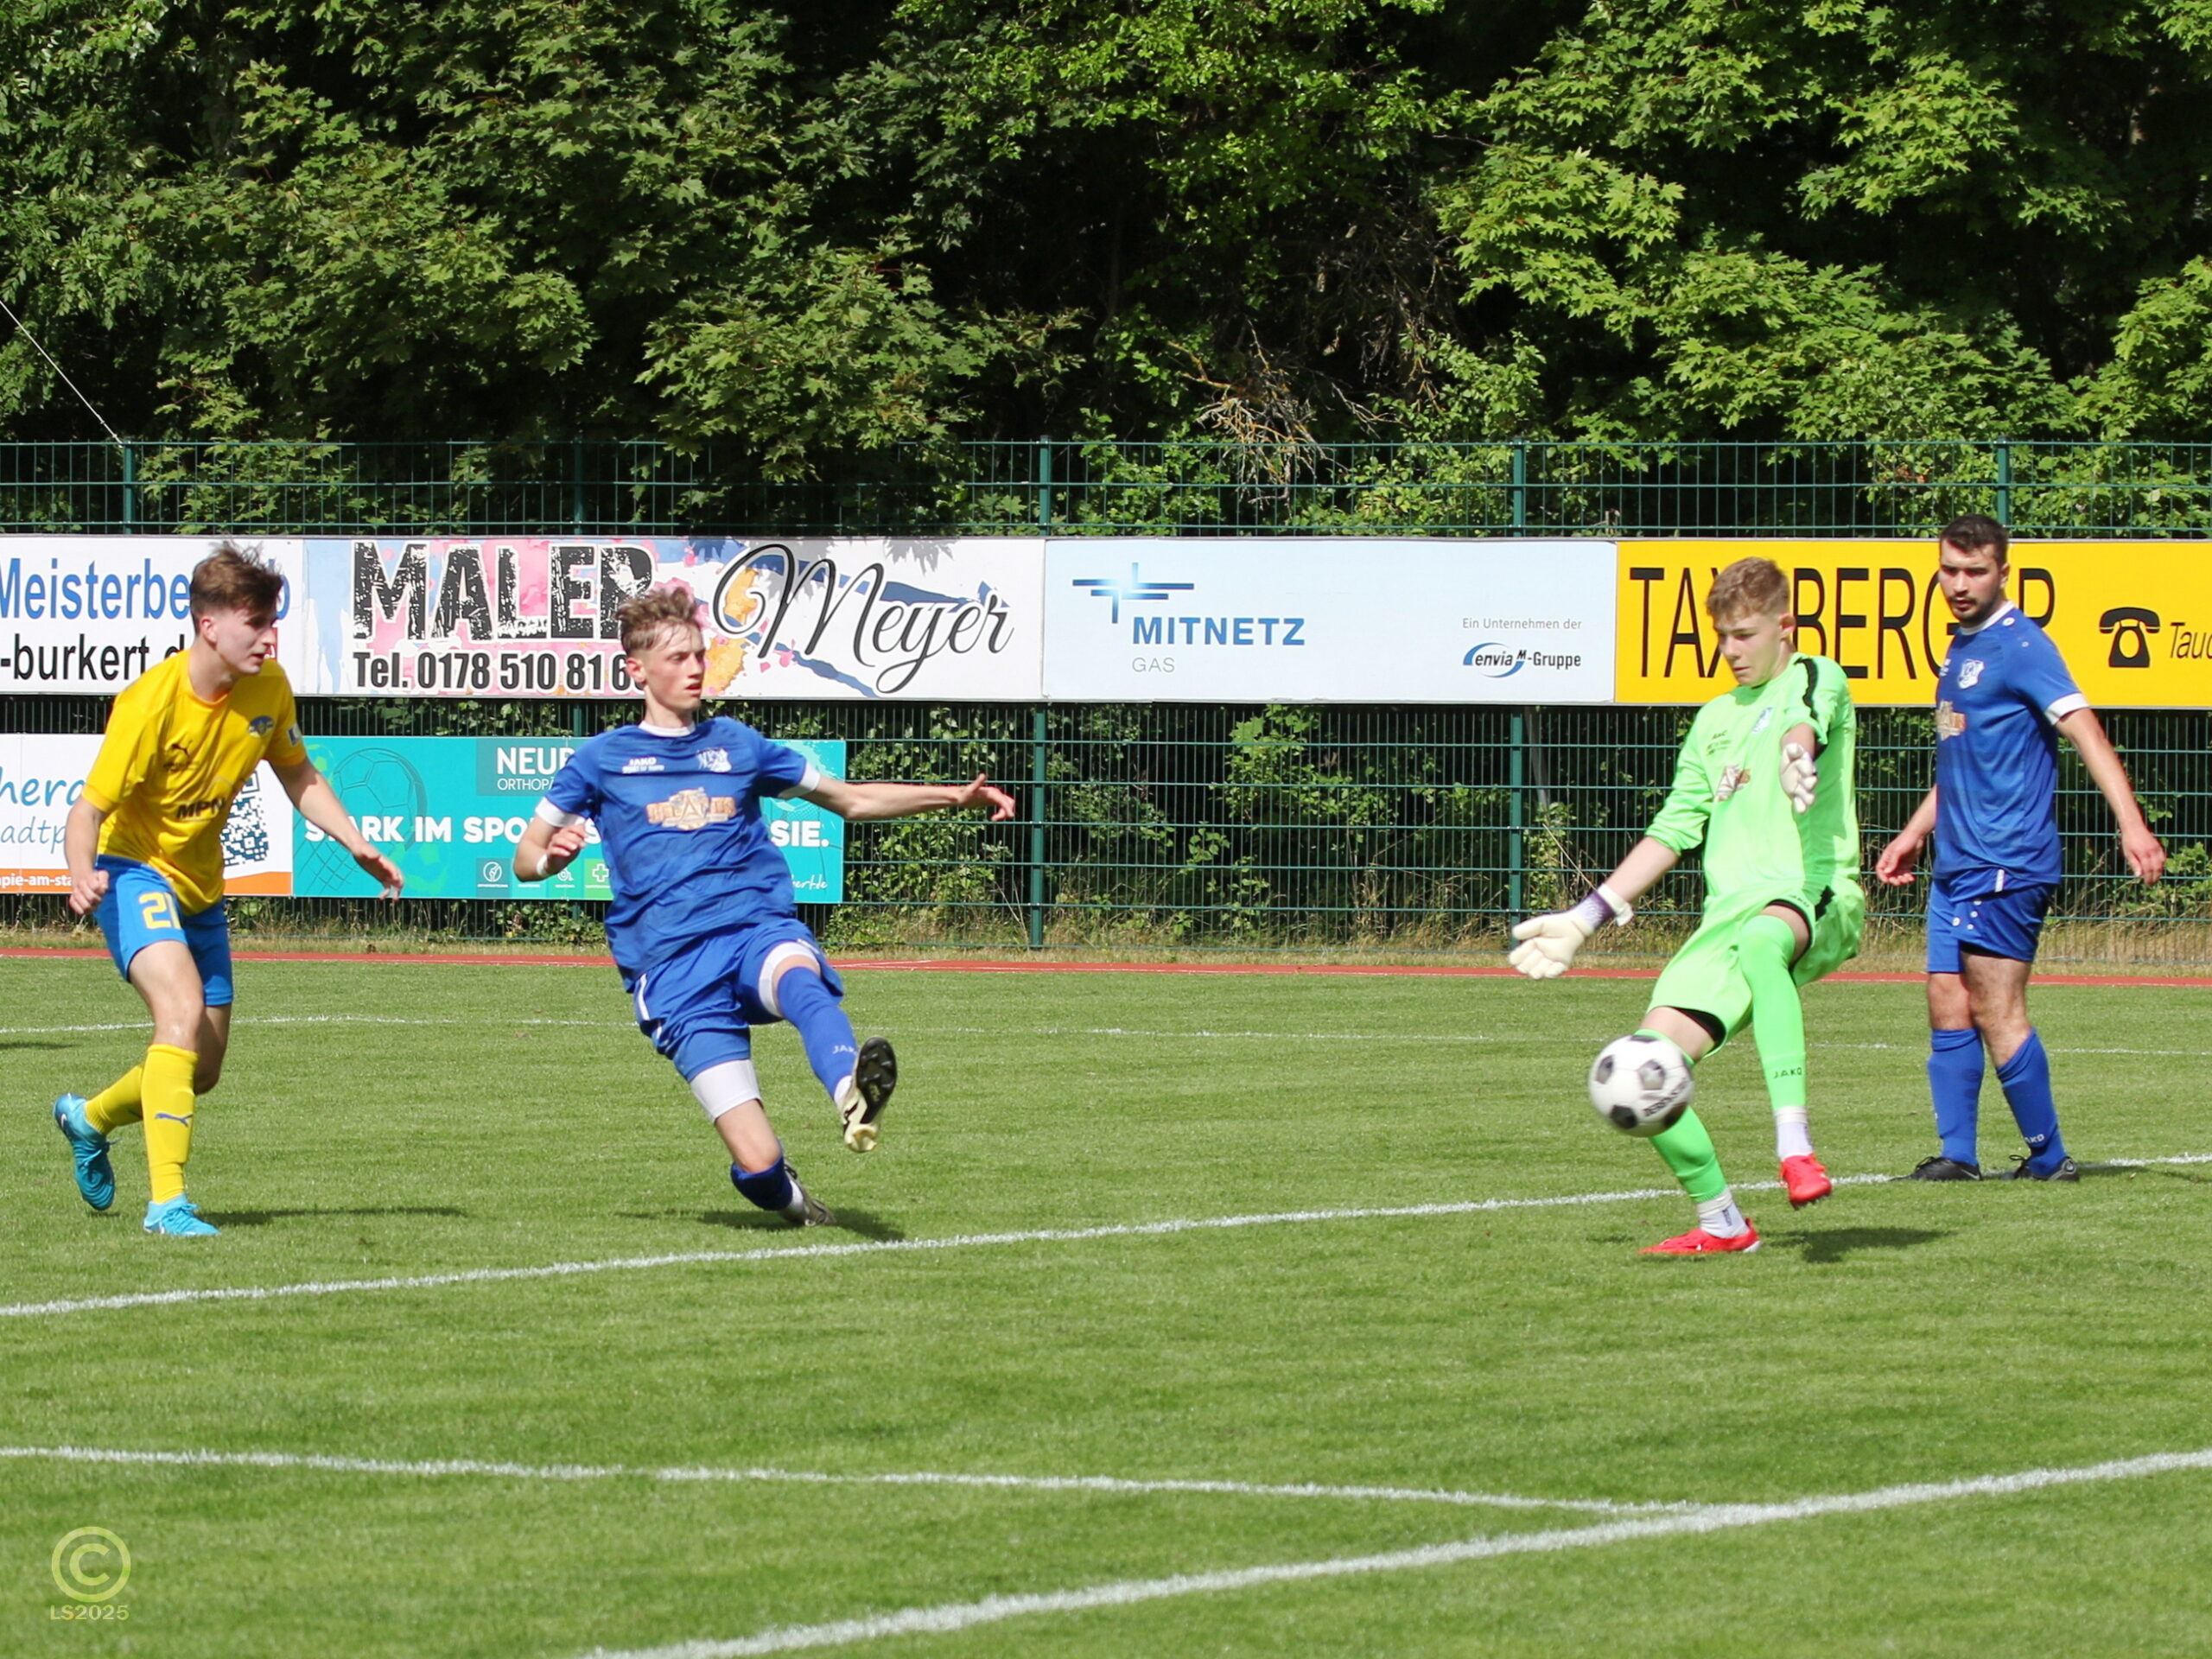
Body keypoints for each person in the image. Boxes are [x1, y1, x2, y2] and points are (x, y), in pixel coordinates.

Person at [512, 585, 1015, 1226]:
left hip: (751, 928)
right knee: (758, 1166)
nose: (695, 669)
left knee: (799, 977)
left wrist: (951, 796)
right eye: (677, 658)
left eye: (700, 655)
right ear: (636, 669)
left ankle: (851, 1093)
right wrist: (551, 861)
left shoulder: (738, 745)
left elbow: (851, 800)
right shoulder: (599, 760)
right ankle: (795, 1201)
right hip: (670, 968)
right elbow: (525, 858)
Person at [1509, 556, 1864, 1255]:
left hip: (1811, 889)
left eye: (1745, 635)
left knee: (1763, 943)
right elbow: (1673, 829)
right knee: (1643, 1065)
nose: (1731, 650)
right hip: (1727, 917)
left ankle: (1795, 1144)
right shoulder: (1712, 721)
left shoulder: (1816, 674)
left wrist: (1797, 755)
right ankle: (1722, 1221)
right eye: (1722, 636)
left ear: (1785, 626)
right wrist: (1585, 918)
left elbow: (1805, 722)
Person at [53, 544, 404, 1236]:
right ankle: (168, 1205)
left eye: (273, 622)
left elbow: (298, 773)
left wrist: (353, 839)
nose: (270, 638)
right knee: (179, 1013)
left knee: (202, 1069)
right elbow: (87, 811)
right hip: (132, 870)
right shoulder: (149, 704)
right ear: (210, 625)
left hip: (202, 889)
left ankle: (87, 1119)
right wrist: (80, 872)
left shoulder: (268, 688)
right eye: (257, 623)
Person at [1874, 515, 2164, 1181]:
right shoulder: (1960, 649)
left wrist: (2132, 824)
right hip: (1956, 862)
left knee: (1996, 1008)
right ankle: (1957, 1156)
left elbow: (2087, 733)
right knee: (1947, 999)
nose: (1960, 584)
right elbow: (1964, 760)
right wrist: (1916, 833)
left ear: (2004, 572)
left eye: (1975, 572)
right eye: (1950, 570)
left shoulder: (2022, 646)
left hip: (2006, 859)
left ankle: (2051, 1159)